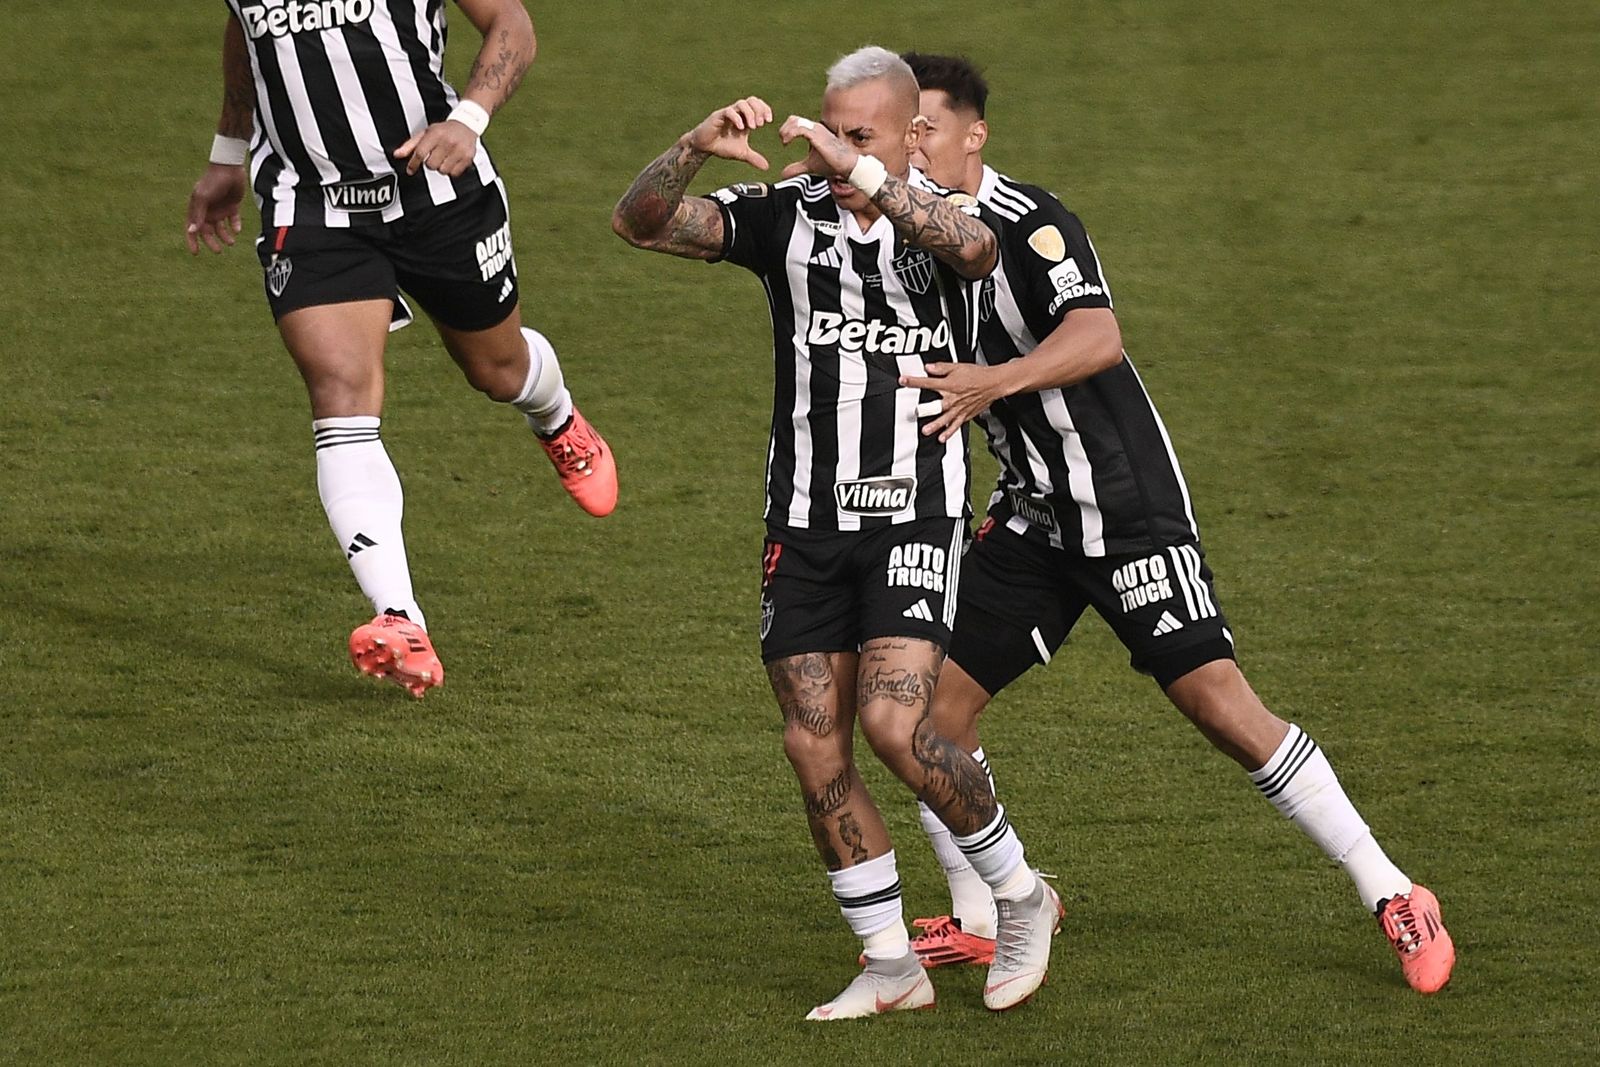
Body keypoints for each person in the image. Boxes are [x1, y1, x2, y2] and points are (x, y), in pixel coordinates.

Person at [895, 52, 1455, 995]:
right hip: (1031, 513)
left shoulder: (1031, 225)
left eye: (926, 127)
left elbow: (1098, 336)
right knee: (919, 718)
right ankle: (991, 907)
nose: (912, 146)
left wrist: (995, 379)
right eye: (898, 128)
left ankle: (1393, 888)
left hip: (1124, 505)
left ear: (974, 135)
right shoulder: (913, 236)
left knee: (1219, 706)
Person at [612, 47, 1062, 1019]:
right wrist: (692, 147)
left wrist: (859, 171)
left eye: (857, 134)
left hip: (913, 508)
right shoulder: (787, 219)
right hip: (804, 520)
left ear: (911, 135)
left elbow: (977, 252)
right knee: (813, 743)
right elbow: (640, 223)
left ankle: (1022, 896)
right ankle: (889, 961)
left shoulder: (943, 225)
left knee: (898, 725)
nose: (827, 146)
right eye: (828, 127)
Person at [184, 0, 617, 698]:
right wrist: (229, 152)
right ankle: (400, 615)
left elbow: (512, 23)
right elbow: (246, 29)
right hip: (312, 202)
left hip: (438, 185)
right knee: (340, 393)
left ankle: (556, 415)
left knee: (497, 368)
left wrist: (467, 120)